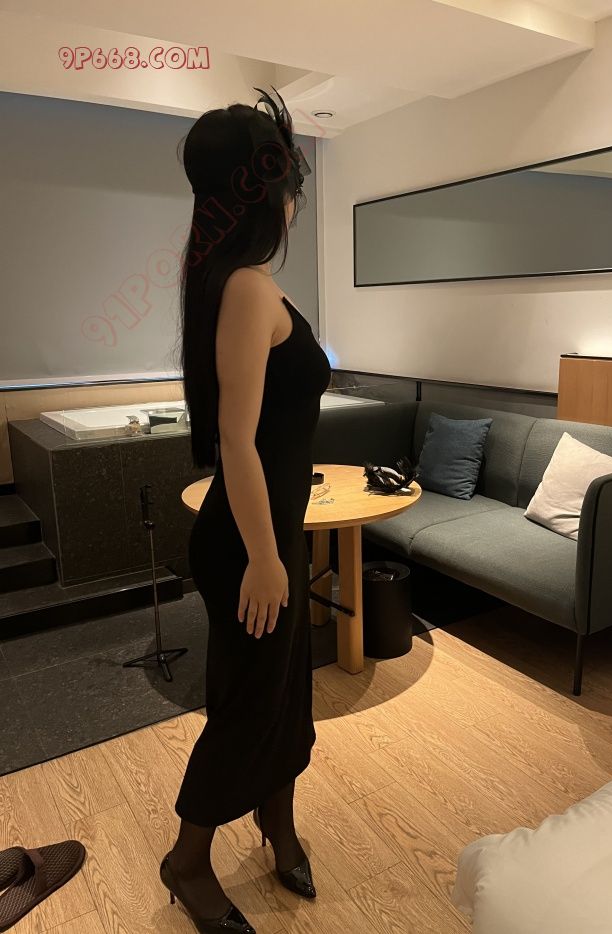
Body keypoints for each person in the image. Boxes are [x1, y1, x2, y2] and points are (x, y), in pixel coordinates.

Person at [160, 88, 331, 934]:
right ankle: (188, 861)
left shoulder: (239, 283)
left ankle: (277, 818)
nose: (296, 198)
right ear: (266, 193)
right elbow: (236, 440)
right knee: (249, 705)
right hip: (246, 544)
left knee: (286, 692)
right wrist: (265, 558)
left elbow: (270, 430)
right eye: (290, 181)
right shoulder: (246, 288)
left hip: (271, 531)